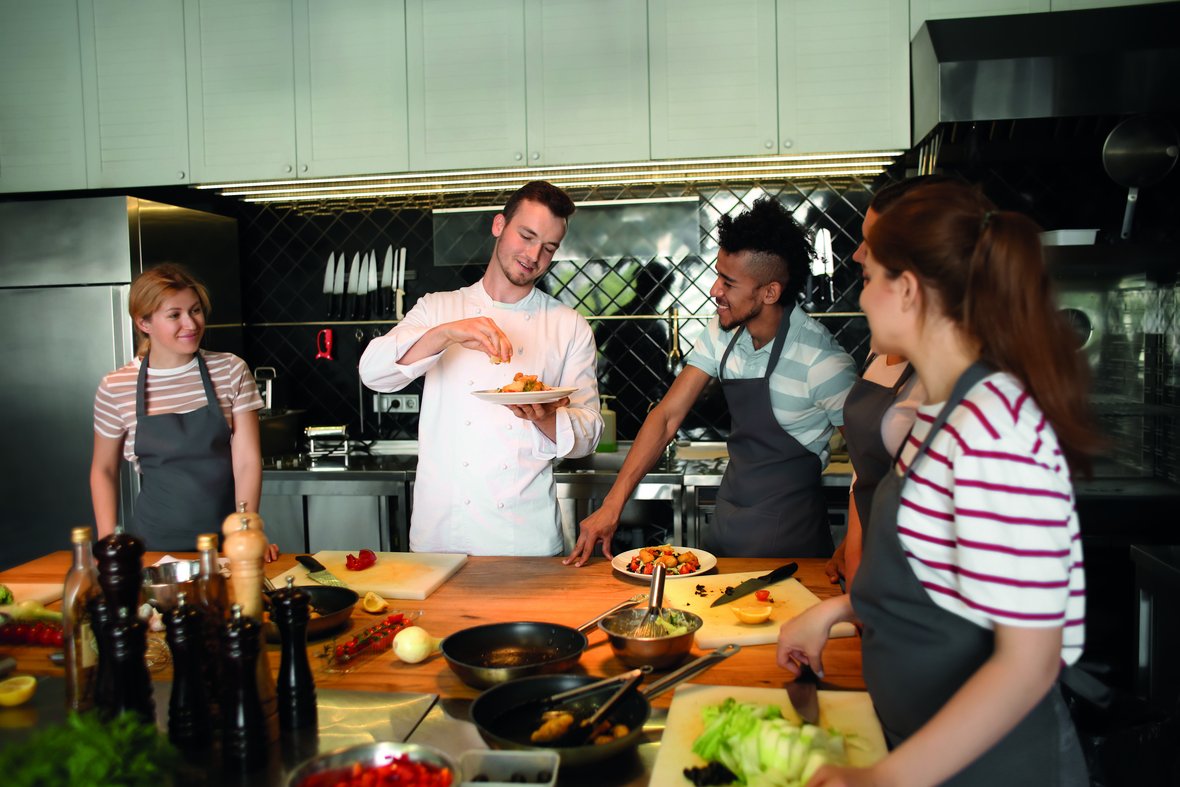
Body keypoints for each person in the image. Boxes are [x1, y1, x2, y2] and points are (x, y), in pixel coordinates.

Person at [777, 181, 1096, 786]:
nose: (861, 297)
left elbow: (1030, 662)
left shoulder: (993, 426)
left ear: (907, 289)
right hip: (924, 751)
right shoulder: (939, 412)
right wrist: (839, 610)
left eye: (869, 278)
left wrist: (887, 779)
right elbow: (939, 576)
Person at [565, 197, 856, 565]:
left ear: (770, 292)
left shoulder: (821, 361)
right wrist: (612, 504)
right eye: (718, 275)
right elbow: (667, 416)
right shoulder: (722, 333)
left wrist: (857, 541)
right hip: (725, 537)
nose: (715, 289)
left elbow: (872, 463)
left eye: (729, 282)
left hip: (793, 552)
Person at [359, 181, 602, 556]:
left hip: (525, 540)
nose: (533, 255)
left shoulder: (568, 325)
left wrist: (543, 417)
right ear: (499, 225)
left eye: (548, 247)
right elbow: (373, 373)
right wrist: (445, 334)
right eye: (526, 236)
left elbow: (589, 434)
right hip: (440, 538)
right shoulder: (438, 308)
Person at [828, 178, 971, 587]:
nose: (857, 255)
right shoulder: (883, 355)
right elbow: (866, 477)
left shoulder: (974, 405)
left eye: (871, 276)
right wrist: (855, 564)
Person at [91, 263, 277, 559]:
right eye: (174, 315)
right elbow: (104, 469)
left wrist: (247, 532)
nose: (191, 324)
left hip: (227, 544)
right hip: (153, 548)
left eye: (195, 310)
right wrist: (107, 543)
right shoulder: (116, 387)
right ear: (144, 323)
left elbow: (247, 461)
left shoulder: (230, 370)